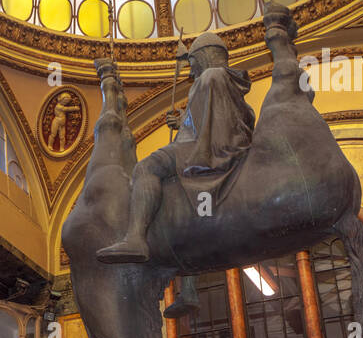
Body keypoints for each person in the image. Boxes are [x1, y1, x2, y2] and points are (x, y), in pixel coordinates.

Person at [97, 31, 254, 264]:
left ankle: (136, 237)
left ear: (204, 58)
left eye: (193, 63)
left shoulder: (209, 77)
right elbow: (225, 119)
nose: (191, 71)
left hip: (205, 151)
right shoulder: (232, 82)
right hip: (221, 145)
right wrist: (184, 122)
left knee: (146, 168)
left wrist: (186, 125)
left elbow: (207, 130)